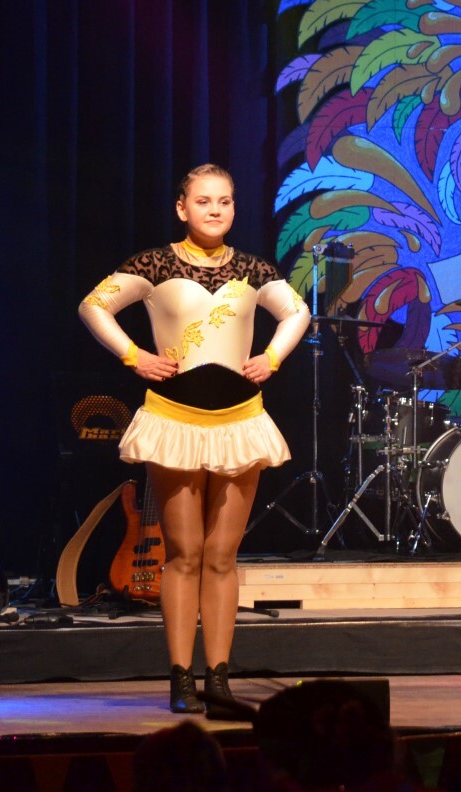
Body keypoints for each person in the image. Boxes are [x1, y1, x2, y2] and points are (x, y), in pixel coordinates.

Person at [78, 164, 310, 716]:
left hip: (239, 421)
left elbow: (297, 311)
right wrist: (134, 356)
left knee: (223, 555)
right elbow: (93, 305)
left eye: (224, 201)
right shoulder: (154, 265)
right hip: (176, 419)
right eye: (203, 201)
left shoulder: (253, 269)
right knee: (185, 554)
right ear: (182, 207)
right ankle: (181, 677)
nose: (215, 210)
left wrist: (272, 358)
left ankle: (219, 678)